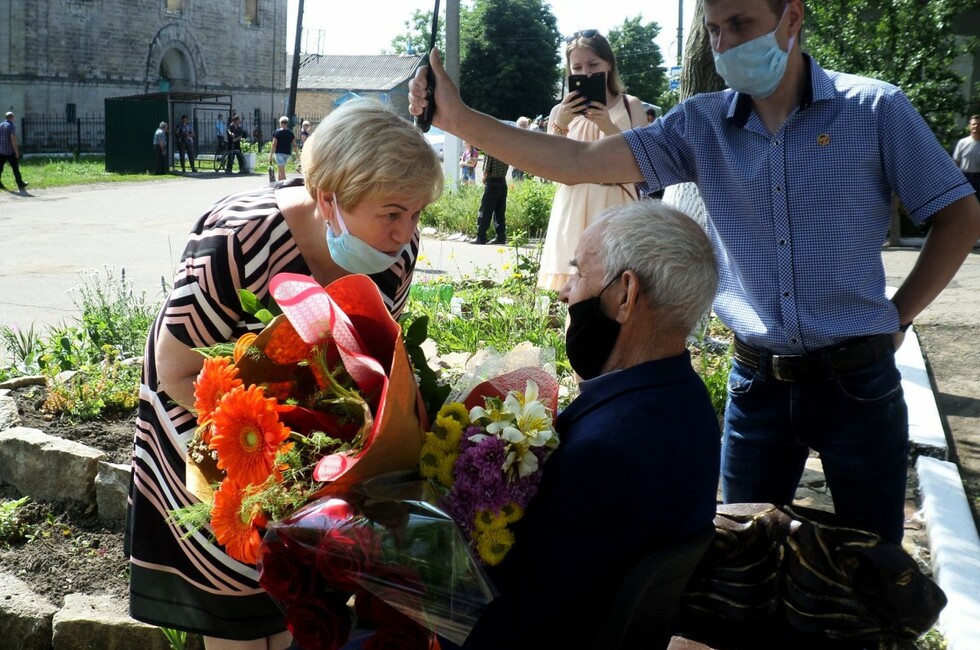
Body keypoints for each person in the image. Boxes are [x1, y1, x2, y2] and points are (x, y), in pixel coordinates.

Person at [408, 0, 980, 544]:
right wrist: (457, 118)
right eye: (714, 29)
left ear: (792, 17)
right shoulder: (701, 125)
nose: (726, 42)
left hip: (859, 381)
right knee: (738, 562)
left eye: (740, 23)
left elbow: (958, 213)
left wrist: (899, 315)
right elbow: (578, 162)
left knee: (874, 566)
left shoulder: (875, 110)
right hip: (757, 384)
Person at [125, 98, 443, 649]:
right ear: (328, 198)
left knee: (296, 613)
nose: (404, 234)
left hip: (306, 462)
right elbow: (172, 368)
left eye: (416, 214)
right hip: (214, 448)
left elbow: (368, 364)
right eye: (392, 214)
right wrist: (267, 477)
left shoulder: (396, 251)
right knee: (241, 622)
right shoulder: (240, 240)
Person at [445, 201, 722, 649]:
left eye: (577, 275)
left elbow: (521, 620)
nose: (565, 293)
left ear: (624, 295)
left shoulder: (603, 454)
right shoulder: (687, 405)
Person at [537, 30, 647, 290]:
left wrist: (608, 126)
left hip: (616, 203)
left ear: (609, 64)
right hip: (573, 203)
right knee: (574, 290)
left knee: (615, 285)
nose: (585, 73)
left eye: (593, 64)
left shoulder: (631, 105)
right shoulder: (560, 111)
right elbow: (550, 168)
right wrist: (561, 124)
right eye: (577, 67)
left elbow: (642, 162)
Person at [472, 151, 508, 245]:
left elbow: (488, 166)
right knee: (500, 211)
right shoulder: (506, 149)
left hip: (492, 181)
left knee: (485, 210)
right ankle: (500, 236)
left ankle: (481, 236)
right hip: (502, 180)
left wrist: (484, 178)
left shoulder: (491, 149)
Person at [0, 111, 28, 191]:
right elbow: (13, 139)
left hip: (1, 151)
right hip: (10, 152)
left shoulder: (0, 125)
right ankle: (20, 183)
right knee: (15, 168)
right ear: (12, 117)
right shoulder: (11, 126)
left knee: (0, 168)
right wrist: (16, 151)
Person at [952, 114, 980, 192]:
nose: (976, 126)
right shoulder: (962, 142)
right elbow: (956, 162)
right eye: (974, 124)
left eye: (979, 124)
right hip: (965, 178)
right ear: (969, 126)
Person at [269, 115, 297, 182]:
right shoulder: (291, 133)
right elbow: (294, 145)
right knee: (280, 169)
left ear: (280, 123)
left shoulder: (277, 132)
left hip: (279, 153)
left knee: (282, 172)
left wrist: (270, 155)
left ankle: (285, 186)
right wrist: (298, 155)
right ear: (287, 123)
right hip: (287, 153)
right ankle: (279, 184)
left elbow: (274, 144)